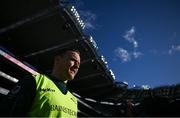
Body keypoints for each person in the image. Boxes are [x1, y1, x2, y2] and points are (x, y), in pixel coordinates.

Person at [0, 47, 81, 117]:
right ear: (57, 59)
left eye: (79, 64)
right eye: (73, 60)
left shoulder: (73, 100)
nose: (77, 66)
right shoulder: (35, 81)